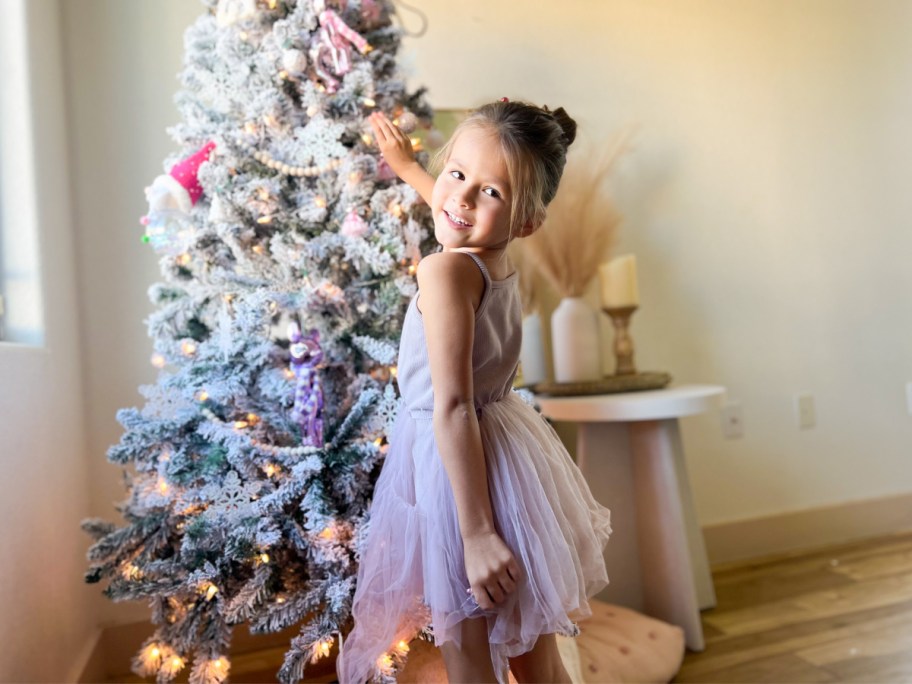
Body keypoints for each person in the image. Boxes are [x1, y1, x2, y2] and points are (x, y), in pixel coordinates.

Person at [336, 99, 612, 684]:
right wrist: (409, 168)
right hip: (508, 461)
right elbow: (461, 206)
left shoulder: (443, 271)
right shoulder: (495, 257)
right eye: (455, 173)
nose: (458, 197)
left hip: (456, 478)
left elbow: (454, 405)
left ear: (527, 219)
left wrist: (478, 534)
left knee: (468, 660)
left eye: (490, 191)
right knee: (535, 659)